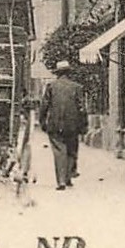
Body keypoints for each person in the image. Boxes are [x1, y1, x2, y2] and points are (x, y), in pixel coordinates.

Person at [38, 59, 87, 190]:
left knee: (59, 151)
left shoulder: (51, 87)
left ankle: (61, 181)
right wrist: (84, 125)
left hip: (54, 125)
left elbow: (44, 106)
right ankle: (68, 177)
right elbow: (82, 108)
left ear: (57, 73)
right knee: (71, 150)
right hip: (72, 125)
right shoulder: (77, 87)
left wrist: (42, 121)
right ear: (68, 73)